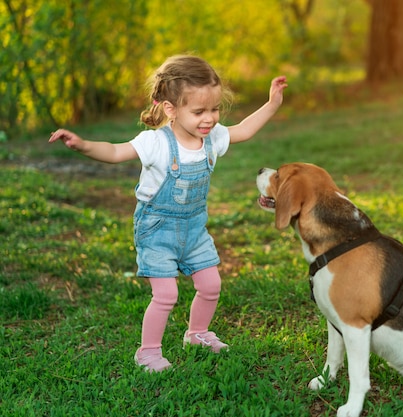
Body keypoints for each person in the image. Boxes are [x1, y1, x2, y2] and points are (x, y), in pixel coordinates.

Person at [49, 54, 288, 372]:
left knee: (211, 285)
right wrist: (83, 145)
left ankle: (197, 333)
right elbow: (116, 150)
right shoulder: (155, 143)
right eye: (199, 111)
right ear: (170, 109)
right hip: (157, 229)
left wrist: (271, 104)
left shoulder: (211, 138)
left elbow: (244, 130)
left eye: (215, 109)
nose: (210, 119)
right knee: (166, 294)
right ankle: (148, 352)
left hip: (194, 229)